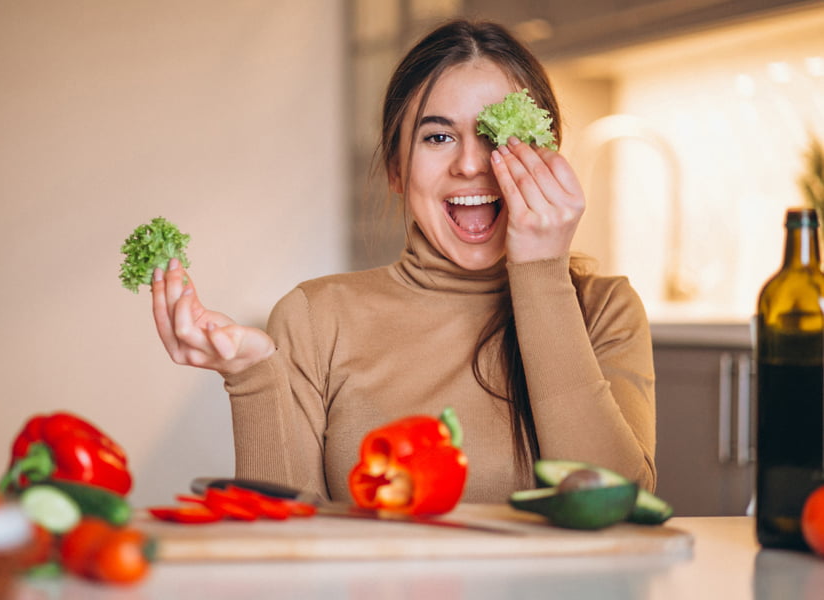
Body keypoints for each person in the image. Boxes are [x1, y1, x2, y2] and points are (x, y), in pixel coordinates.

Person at [151, 19, 656, 503]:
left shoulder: (604, 310)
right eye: (438, 136)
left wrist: (541, 271)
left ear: (546, 159)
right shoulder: (314, 318)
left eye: (497, 134)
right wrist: (252, 374)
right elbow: (287, 547)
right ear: (396, 169)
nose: (471, 164)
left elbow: (615, 510)